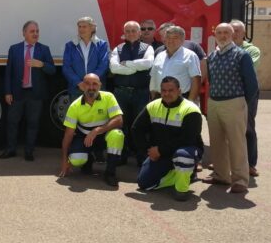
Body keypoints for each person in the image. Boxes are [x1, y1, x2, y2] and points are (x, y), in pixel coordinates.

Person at [202, 23, 258, 195]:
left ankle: (240, 180)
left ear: (233, 35)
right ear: (215, 35)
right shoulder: (212, 56)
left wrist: (242, 102)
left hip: (234, 101)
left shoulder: (241, 55)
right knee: (217, 141)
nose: (223, 35)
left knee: (236, 142)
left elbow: (251, 84)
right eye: (219, 32)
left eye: (226, 32)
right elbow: (210, 79)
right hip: (215, 102)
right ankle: (221, 175)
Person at [133, 76, 204, 201]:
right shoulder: (153, 106)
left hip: (185, 149)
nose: (167, 94)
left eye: (171, 90)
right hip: (161, 153)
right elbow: (136, 129)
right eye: (164, 90)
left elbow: (188, 139)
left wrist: (161, 150)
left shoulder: (190, 109)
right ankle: (183, 174)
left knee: (183, 155)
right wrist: (148, 151)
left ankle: (181, 189)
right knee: (144, 183)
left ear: (179, 91)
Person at [1, 20, 56, 161]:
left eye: (37, 31)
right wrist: (8, 92)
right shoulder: (14, 49)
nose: (35, 34)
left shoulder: (44, 49)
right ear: (24, 33)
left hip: (35, 94)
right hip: (17, 92)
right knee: (12, 122)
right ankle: (11, 149)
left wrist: (42, 64)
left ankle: (29, 151)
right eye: (32, 31)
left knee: (33, 123)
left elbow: (52, 70)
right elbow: (9, 72)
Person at [58, 74, 124, 187]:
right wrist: (64, 160)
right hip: (85, 138)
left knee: (117, 135)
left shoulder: (109, 97)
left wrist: (98, 130)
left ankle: (110, 173)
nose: (91, 87)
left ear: (100, 85)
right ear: (82, 86)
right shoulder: (74, 106)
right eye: (88, 84)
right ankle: (88, 160)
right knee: (76, 160)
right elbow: (68, 135)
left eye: (95, 84)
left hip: (103, 136)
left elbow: (119, 120)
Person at [109, 20, 154, 165]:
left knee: (139, 126)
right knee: (121, 125)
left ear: (139, 32)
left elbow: (148, 64)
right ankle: (121, 156)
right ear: (124, 33)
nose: (131, 33)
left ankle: (141, 157)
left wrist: (126, 64)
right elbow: (114, 68)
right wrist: (136, 66)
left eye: (134, 30)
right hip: (121, 93)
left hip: (140, 93)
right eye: (127, 31)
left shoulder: (148, 48)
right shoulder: (118, 48)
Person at [231, 19, 261, 177]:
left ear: (244, 33)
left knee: (247, 128)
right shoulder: (221, 49)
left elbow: (246, 71)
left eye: (237, 30)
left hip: (247, 93)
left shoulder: (252, 50)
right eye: (232, 30)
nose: (234, 33)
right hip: (229, 95)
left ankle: (250, 164)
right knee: (229, 129)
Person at [62, 16, 110, 101]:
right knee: (77, 114)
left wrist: (91, 83)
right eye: (79, 27)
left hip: (96, 89)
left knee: (96, 114)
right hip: (76, 89)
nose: (81, 29)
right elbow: (67, 67)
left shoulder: (102, 45)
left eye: (84, 27)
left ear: (92, 28)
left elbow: (103, 64)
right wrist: (79, 83)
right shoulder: (70, 45)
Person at [149, 26, 201, 101]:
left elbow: (196, 80)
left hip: (181, 98)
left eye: (175, 38)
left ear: (182, 40)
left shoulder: (190, 56)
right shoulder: (159, 55)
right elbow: (153, 77)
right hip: (160, 98)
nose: (171, 40)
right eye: (168, 37)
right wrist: (154, 98)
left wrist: (190, 102)